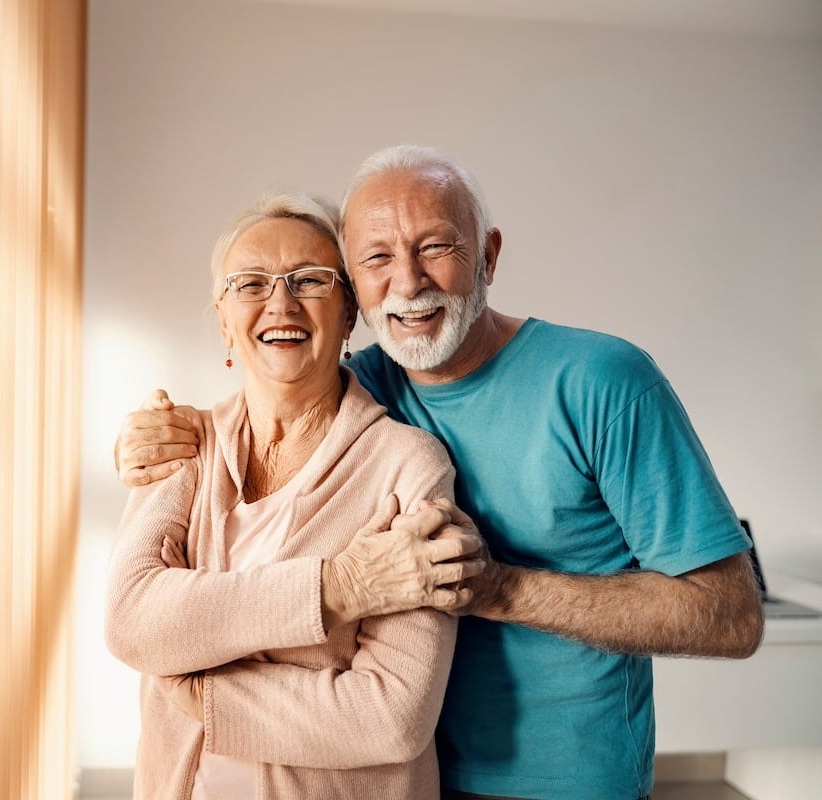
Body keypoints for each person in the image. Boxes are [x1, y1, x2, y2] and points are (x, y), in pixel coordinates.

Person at [114, 145, 765, 800]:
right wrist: (156, 438)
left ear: (487, 256)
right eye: (376, 258)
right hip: (408, 780)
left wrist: (496, 588)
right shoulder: (365, 386)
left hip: (564, 781)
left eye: (436, 248)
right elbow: (276, 388)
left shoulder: (603, 382)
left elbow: (730, 615)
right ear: (357, 294)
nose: (407, 282)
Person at [104, 193, 483, 800]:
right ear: (224, 317)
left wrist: (203, 689)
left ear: (349, 311)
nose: (280, 302)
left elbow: (391, 717)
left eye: (309, 279)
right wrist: (341, 587)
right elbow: (131, 623)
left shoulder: (407, 464)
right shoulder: (180, 443)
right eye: (249, 283)